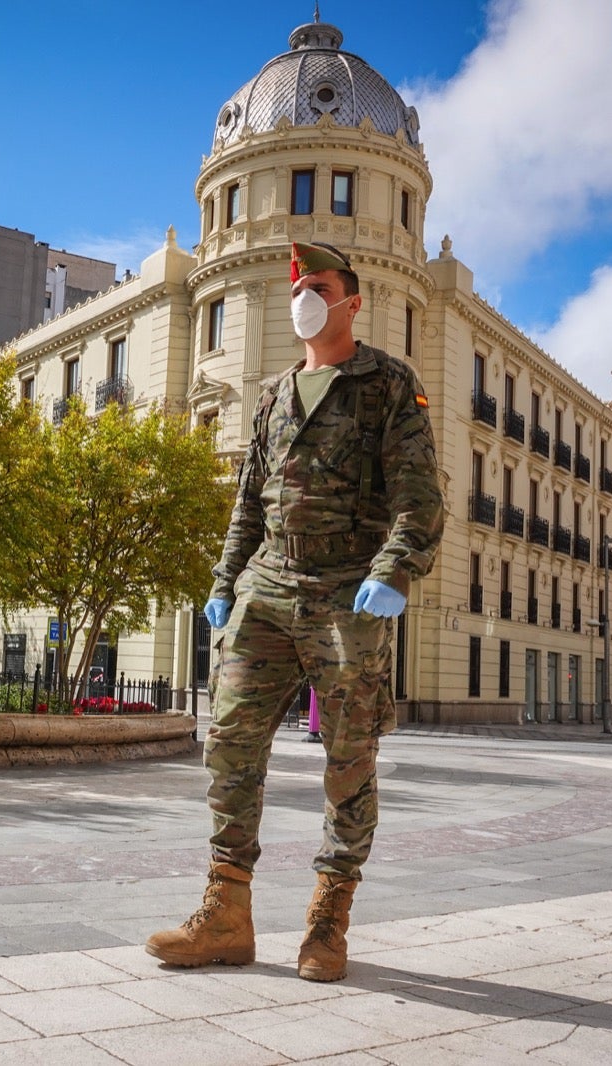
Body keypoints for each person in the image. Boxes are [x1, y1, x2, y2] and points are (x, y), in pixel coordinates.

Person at [146, 242, 445, 981]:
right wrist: (225, 580)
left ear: (351, 302)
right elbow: (248, 499)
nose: (304, 298)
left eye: (319, 286)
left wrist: (394, 572)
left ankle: (328, 920)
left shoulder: (386, 384)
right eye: (298, 288)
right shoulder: (275, 393)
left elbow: (421, 499)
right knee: (230, 742)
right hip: (269, 585)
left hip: (349, 587)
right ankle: (226, 913)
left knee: (350, 758)